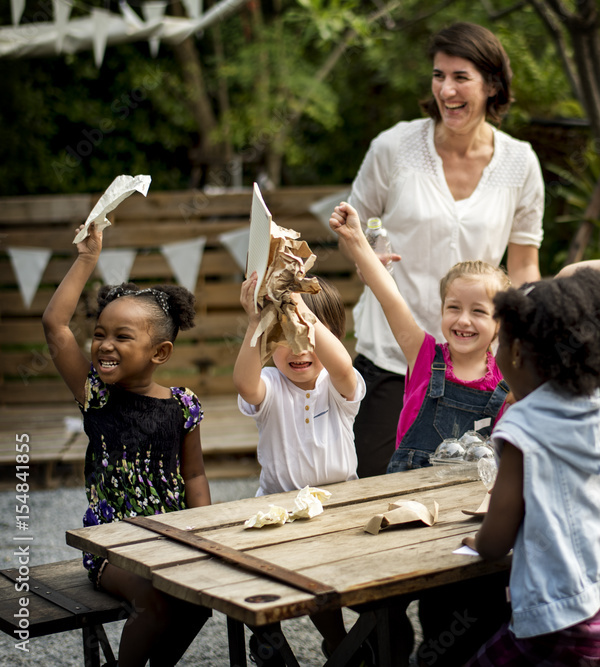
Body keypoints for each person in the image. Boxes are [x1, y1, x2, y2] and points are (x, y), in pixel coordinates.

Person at [347, 21, 544, 479]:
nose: (446, 90)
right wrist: (372, 253)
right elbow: (356, 226)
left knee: (470, 487)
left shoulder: (520, 162)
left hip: (478, 363)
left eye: (461, 77)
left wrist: (524, 350)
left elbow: (524, 265)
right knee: (376, 488)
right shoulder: (392, 147)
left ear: (492, 85)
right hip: (392, 354)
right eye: (439, 75)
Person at [42, 223, 211, 667]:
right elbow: (55, 326)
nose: (105, 345)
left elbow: (194, 474)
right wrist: (86, 258)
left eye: (122, 336)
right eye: (100, 333)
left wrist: (205, 533)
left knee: (201, 600)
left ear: (160, 353)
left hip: (172, 538)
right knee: (153, 595)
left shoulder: (183, 405)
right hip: (112, 546)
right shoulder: (96, 395)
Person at [462, 269, 600, 666]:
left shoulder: (523, 428)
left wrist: (477, 541)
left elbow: (495, 543)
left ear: (515, 353)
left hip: (563, 631)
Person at [233, 273, 366, 665]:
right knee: (258, 583)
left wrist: (302, 312)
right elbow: (244, 384)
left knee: (324, 587)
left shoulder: (340, 385)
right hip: (280, 513)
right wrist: (256, 322)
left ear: (330, 337)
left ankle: (341, 642)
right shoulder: (270, 385)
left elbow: (340, 363)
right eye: (284, 338)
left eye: (309, 335)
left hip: (342, 509)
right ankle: (270, 644)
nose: (299, 348)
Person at [330, 201, 510, 472]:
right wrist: (356, 239)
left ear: (499, 323)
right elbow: (389, 298)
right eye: (453, 307)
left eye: (478, 311)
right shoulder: (424, 354)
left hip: (469, 501)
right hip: (410, 495)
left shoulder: (507, 382)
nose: (463, 320)